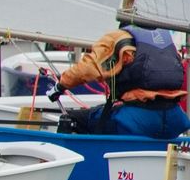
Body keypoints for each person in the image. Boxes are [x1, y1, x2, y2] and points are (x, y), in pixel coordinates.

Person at [51, 23, 190, 137]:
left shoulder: (121, 38)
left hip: (136, 120)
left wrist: (60, 86)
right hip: (175, 119)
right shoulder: (165, 40)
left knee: (73, 119)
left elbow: (88, 67)